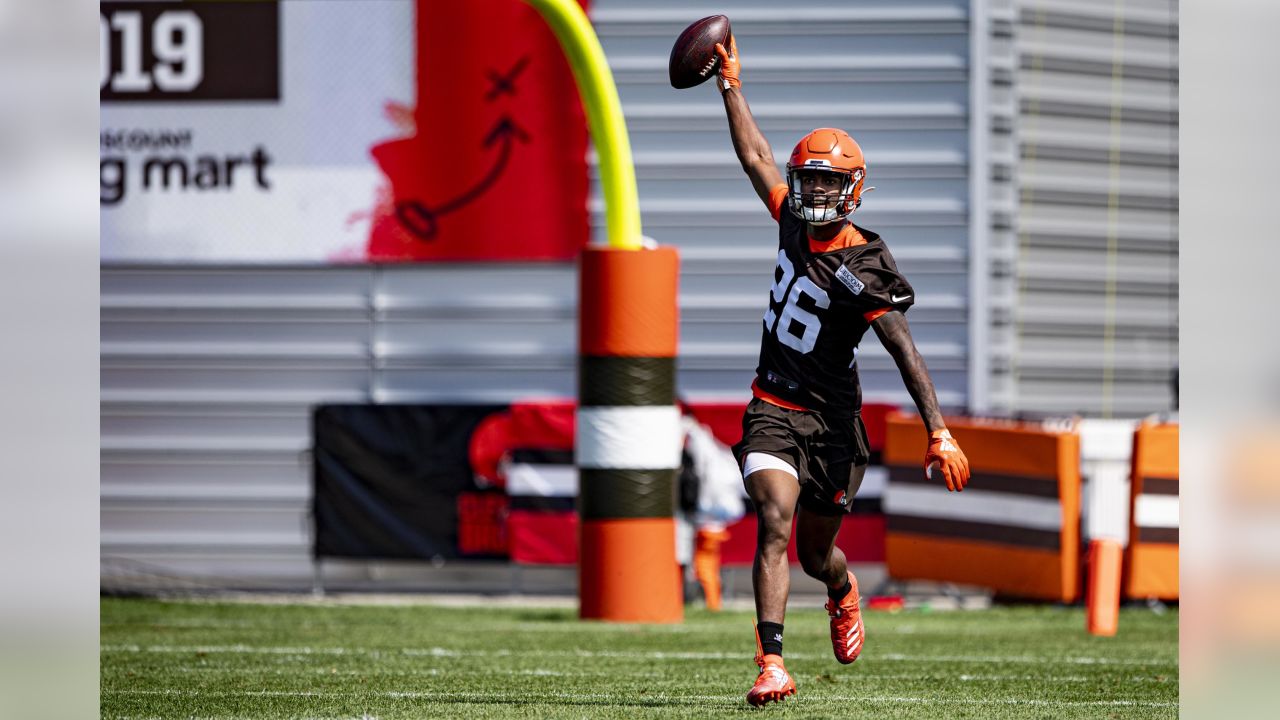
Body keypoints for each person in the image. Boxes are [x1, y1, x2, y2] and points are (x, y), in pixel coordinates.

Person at [710, 35, 974, 706]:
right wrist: (730, 85)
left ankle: (841, 589)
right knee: (773, 519)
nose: (815, 191)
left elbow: (902, 349)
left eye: (828, 181)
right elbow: (756, 157)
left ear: (852, 189)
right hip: (772, 405)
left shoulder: (863, 269)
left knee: (814, 554)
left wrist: (937, 429)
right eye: (810, 180)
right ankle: (771, 662)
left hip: (833, 423)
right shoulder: (791, 224)